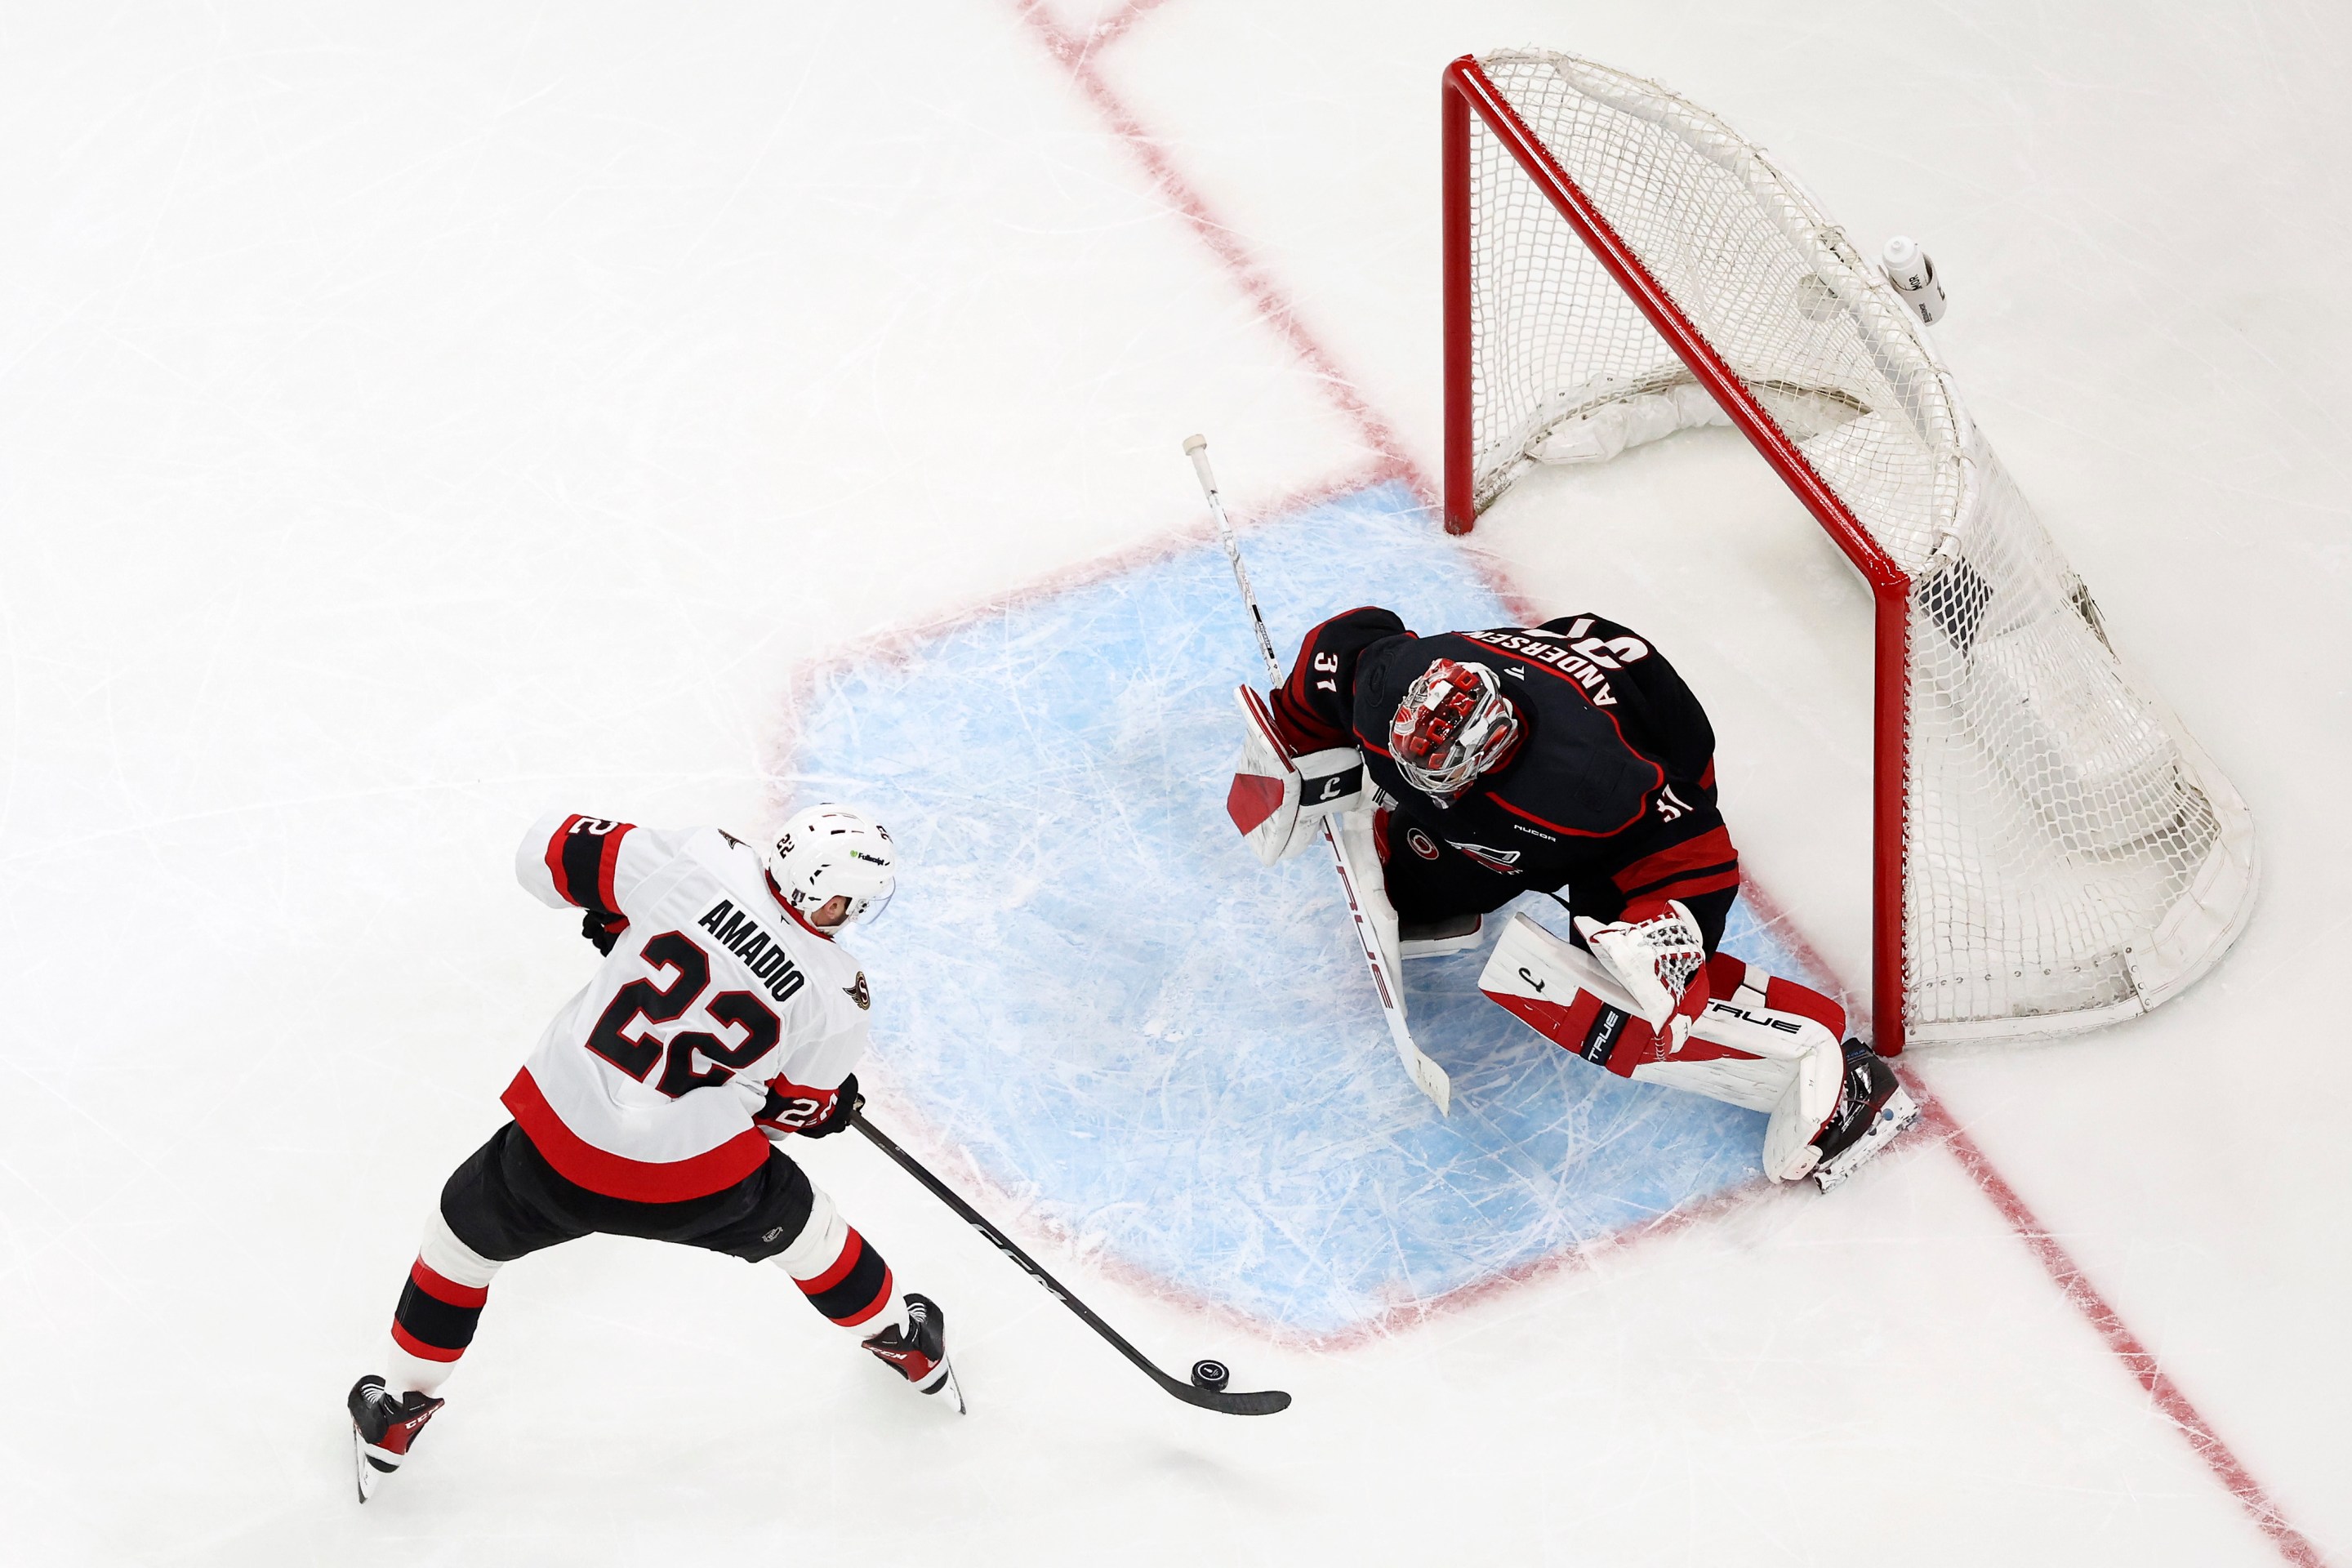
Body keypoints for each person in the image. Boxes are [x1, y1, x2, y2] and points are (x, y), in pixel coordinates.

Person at [346, 804, 959, 1502]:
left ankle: (396, 1410)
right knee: (815, 1238)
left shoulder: (701, 860)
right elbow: (779, 1118)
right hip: (700, 1183)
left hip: (556, 1151)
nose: (848, 915)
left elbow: (542, 853)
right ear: (830, 893)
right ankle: (907, 1345)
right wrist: (827, 1108)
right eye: (850, 901)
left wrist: (617, 914)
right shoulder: (840, 994)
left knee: (458, 1248)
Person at [1241, 606, 1910, 1186]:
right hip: (1569, 660)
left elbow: (1695, 848)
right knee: (1417, 889)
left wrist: (1665, 938)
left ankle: (1841, 1071)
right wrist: (1300, 726)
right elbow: (1345, 642)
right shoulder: (1395, 684)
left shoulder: (1594, 784)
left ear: (1493, 749)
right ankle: (1460, 860)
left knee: (1612, 974)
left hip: (1652, 725)